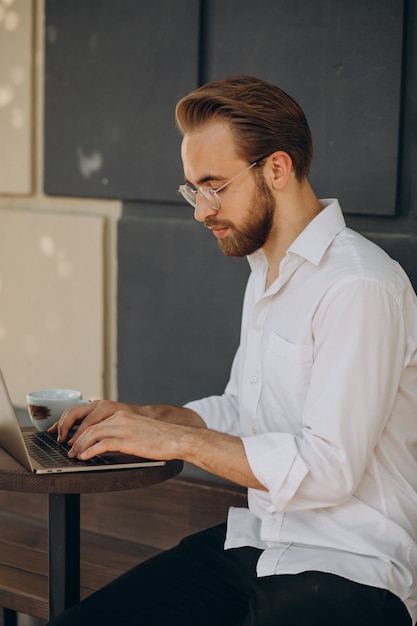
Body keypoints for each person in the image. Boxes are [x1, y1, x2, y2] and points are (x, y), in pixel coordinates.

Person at [47, 75, 417, 626]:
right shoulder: (265, 271)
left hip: (349, 569)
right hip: (262, 544)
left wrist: (172, 440)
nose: (200, 210)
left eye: (213, 185)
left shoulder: (359, 286)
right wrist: (143, 418)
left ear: (276, 168)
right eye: (192, 188)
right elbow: (245, 412)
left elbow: (328, 469)